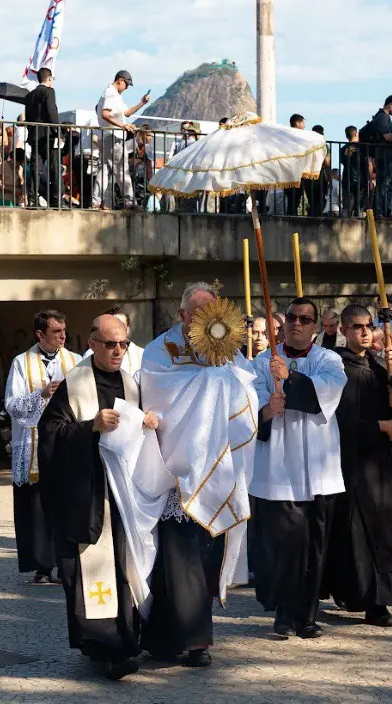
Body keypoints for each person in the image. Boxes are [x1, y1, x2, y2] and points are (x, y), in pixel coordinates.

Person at [36, 314, 169, 680]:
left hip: (124, 496)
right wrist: (89, 427)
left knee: (124, 570)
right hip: (89, 496)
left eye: (123, 344)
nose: (118, 351)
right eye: (110, 344)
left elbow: (144, 430)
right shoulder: (74, 383)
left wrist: (149, 423)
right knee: (94, 575)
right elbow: (49, 432)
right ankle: (105, 648)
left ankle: (126, 641)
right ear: (92, 343)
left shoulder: (131, 382)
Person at [139, 283, 259, 666]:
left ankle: (195, 639)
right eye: (199, 311)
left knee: (204, 559)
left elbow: (247, 386)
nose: (209, 319)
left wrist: (228, 373)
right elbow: (159, 391)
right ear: (182, 315)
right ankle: (174, 639)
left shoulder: (228, 350)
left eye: (214, 311)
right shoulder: (161, 350)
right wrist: (213, 379)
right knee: (175, 563)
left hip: (218, 468)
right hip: (178, 469)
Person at [250, 297, 347, 639]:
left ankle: (306, 615)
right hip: (279, 468)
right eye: (291, 317)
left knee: (314, 546)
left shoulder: (329, 360)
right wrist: (266, 408)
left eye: (304, 319)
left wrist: (288, 377)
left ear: (316, 327)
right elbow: (248, 401)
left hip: (319, 471)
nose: (296, 323)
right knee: (285, 545)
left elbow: (327, 394)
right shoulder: (262, 361)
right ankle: (283, 612)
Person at [325, 306, 392, 626]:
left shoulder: (379, 365)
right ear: (345, 330)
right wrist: (379, 427)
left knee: (383, 531)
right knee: (353, 533)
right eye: (358, 327)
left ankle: (379, 601)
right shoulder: (336, 368)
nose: (365, 332)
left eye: (369, 326)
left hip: (380, 465)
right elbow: (340, 422)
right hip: (350, 463)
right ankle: (356, 595)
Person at [6, 309, 82, 584]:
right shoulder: (21, 363)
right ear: (40, 334)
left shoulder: (75, 361)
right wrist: (42, 393)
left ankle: (66, 565)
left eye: (64, 331)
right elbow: (12, 404)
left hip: (63, 444)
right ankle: (41, 565)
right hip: (34, 444)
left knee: (64, 505)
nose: (63, 336)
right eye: (56, 332)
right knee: (36, 506)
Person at [94, 70, 150, 210]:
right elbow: (105, 114)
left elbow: (126, 112)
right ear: (120, 80)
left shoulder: (115, 95)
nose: (126, 89)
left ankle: (96, 200)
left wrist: (141, 103)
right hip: (114, 137)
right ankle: (129, 203)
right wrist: (123, 126)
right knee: (122, 170)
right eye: (126, 85)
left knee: (105, 169)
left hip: (108, 136)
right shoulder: (111, 93)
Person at [25, 67, 62, 206]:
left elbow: (28, 117)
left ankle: (32, 199)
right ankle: (56, 199)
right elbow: (51, 111)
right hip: (48, 136)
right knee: (54, 168)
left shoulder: (29, 96)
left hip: (35, 136)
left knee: (36, 168)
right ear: (49, 78)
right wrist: (58, 132)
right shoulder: (49, 92)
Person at [80, 306, 145, 377]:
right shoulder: (90, 353)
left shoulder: (142, 354)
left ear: (128, 328)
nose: (117, 328)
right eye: (111, 325)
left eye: (121, 324)